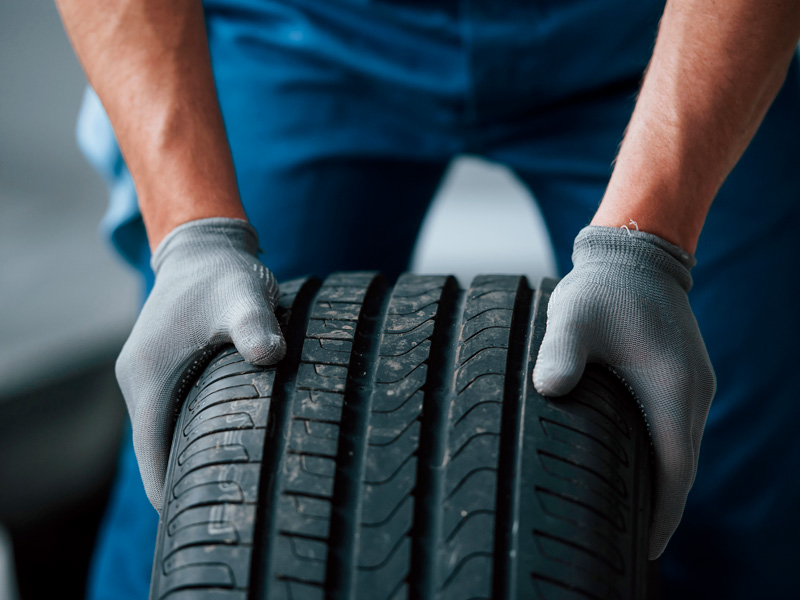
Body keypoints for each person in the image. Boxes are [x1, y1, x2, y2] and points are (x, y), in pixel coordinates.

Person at [55, 0, 800, 597]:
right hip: (306, 26)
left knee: (747, 503)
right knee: (203, 488)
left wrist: (650, 245)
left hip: (650, 31)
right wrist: (191, 233)